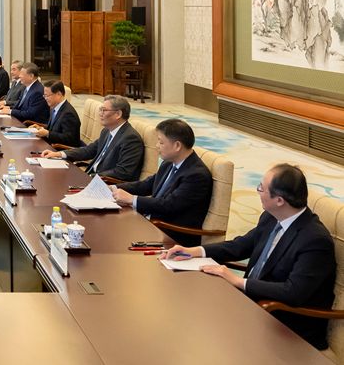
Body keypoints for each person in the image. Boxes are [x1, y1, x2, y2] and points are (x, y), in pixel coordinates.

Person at [161, 164, 336, 350]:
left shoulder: (315, 240)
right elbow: (239, 246)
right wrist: (194, 251)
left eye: (261, 188)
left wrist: (238, 281)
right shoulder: (271, 217)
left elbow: (293, 292)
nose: (257, 191)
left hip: (286, 326)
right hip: (251, 305)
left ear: (279, 200)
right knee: (186, 310)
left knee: (204, 333)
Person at [111, 118, 212, 246]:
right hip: (151, 223)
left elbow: (169, 205)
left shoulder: (196, 175)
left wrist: (132, 199)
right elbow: (147, 184)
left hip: (171, 236)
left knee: (115, 237)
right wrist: (114, 187)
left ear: (177, 146)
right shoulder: (169, 162)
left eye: (161, 142)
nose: (157, 146)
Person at [42, 95, 143, 182]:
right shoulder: (107, 131)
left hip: (107, 185)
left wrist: (91, 177)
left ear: (118, 114)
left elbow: (123, 172)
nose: (100, 113)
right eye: (100, 110)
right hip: (92, 177)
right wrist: (60, 154)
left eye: (104, 110)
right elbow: (89, 150)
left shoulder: (130, 138)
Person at [32, 80, 81, 148]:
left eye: (47, 95)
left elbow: (70, 139)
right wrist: (40, 128)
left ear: (59, 94)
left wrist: (48, 133)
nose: (45, 98)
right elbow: (54, 128)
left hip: (59, 149)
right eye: (44, 95)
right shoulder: (54, 107)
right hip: (50, 145)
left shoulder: (68, 114)